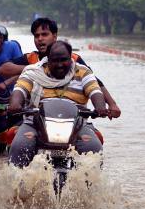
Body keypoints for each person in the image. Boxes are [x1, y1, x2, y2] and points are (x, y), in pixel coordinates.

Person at [6, 40, 107, 168]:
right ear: (48, 60)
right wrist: (15, 104)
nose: (60, 64)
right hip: (35, 123)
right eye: (55, 60)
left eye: (64, 60)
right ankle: (16, 183)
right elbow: (20, 89)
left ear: (71, 58)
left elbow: (95, 91)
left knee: (93, 148)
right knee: (20, 146)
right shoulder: (33, 72)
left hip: (77, 125)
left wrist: (100, 107)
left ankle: (89, 186)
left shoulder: (83, 72)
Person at [0, 17, 122, 118]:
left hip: (71, 115)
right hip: (38, 115)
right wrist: (35, 69)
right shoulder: (32, 60)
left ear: (55, 36)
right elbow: (2, 69)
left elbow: (93, 82)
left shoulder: (73, 60)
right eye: (36, 36)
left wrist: (112, 104)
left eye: (44, 34)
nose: (40, 39)